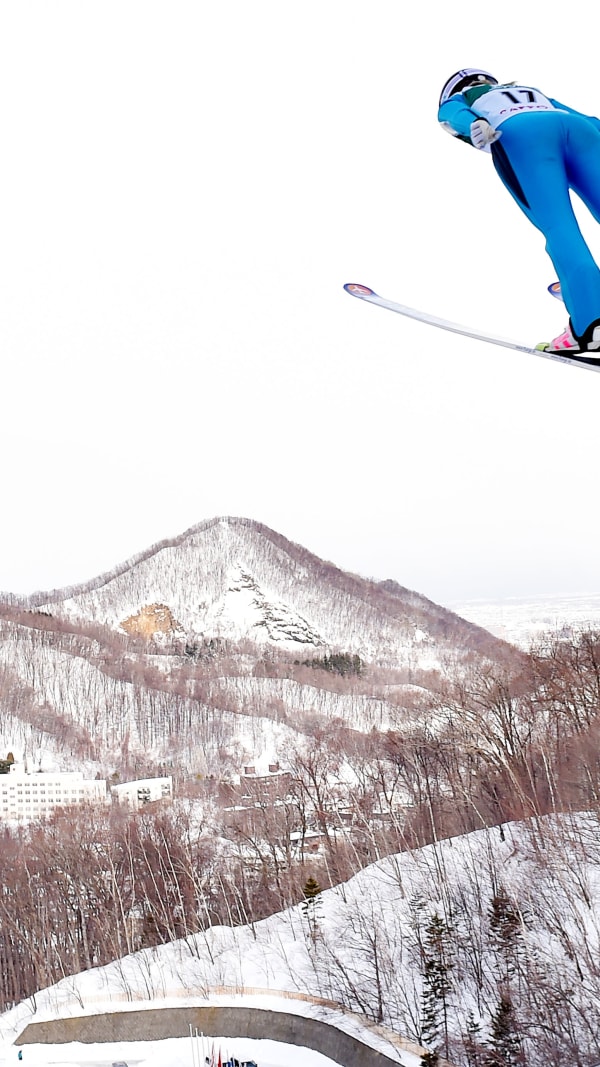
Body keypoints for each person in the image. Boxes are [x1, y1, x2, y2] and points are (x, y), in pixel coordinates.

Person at [438, 68, 600, 356]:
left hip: (522, 135)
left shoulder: (464, 97)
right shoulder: (529, 91)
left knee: (560, 227)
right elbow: (588, 120)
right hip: (578, 130)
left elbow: (450, 115)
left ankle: (590, 326)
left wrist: (473, 123)